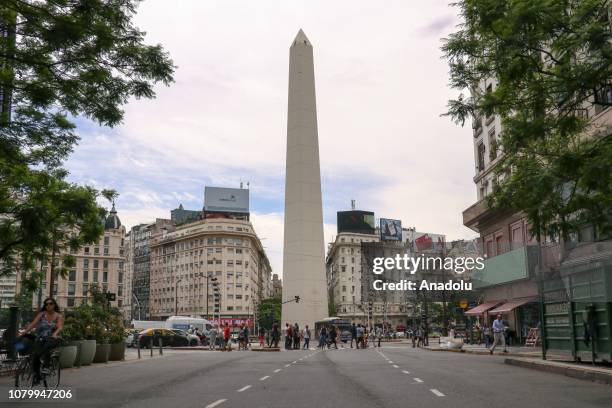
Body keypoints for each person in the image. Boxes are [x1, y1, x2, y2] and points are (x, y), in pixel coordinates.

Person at [19, 297, 63, 384]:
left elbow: (60, 327)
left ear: (54, 305)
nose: (48, 305)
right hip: (40, 338)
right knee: (35, 356)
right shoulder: (42, 314)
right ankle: (38, 377)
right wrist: (23, 332)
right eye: (46, 304)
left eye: (50, 304)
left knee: (47, 346)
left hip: (52, 338)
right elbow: (32, 324)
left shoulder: (58, 316)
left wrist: (55, 334)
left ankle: (47, 366)